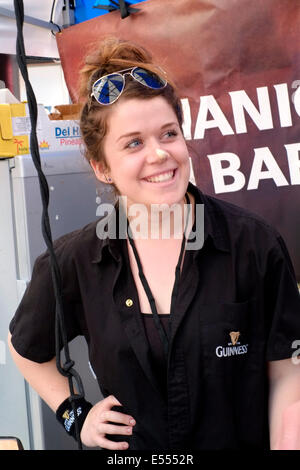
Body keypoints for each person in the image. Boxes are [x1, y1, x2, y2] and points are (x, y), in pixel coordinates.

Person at [7, 37, 300, 451]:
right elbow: (24, 348)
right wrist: (77, 415)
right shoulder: (76, 260)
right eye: (134, 143)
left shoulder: (253, 243)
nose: (160, 154)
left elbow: (287, 373)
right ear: (101, 166)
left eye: (168, 134)